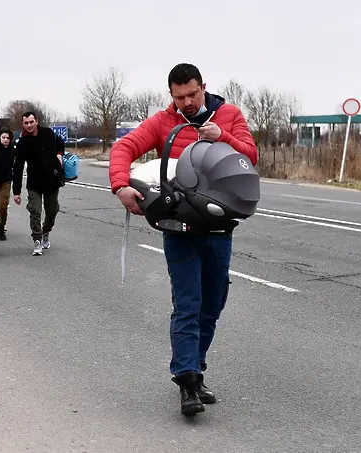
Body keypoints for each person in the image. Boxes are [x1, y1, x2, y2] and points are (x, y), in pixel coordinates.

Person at [109, 63, 258, 416]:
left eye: (192, 94)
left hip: (220, 229)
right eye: (179, 97)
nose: (187, 102)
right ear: (171, 95)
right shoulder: (164, 122)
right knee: (188, 303)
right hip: (179, 229)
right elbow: (124, 148)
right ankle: (187, 381)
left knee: (213, 303)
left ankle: (197, 367)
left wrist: (222, 137)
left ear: (203, 87)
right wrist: (120, 185)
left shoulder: (229, 115)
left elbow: (250, 156)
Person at [12, 111, 65, 256]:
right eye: (26, 123)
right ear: (23, 124)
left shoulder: (48, 133)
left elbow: (60, 144)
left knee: (52, 210)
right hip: (34, 183)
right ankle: (37, 239)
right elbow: (18, 167)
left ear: (36, 121)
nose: (29, 125)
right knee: (35, 211)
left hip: (51, 181)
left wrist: (59, 154)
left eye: (31, 122)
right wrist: (16, 191)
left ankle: (46, 230)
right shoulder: (22, 143)